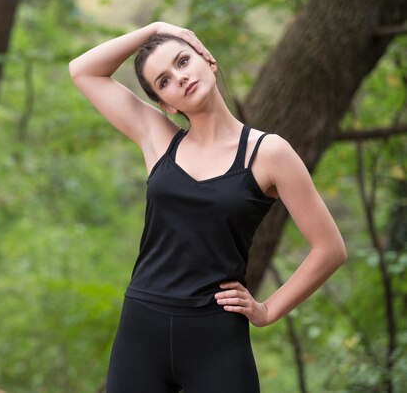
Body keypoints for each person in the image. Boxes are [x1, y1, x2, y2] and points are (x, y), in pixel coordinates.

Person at [68, 21, 347, 393]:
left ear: (207, 59)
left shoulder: (269, 153)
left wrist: (267, 310)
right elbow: (83, 71)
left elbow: (330, 249)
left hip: (216, 338)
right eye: (164, 81)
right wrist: (155, 27)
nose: (179, 78)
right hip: (141, 330)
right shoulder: (158, 139)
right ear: (165, 104)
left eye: (183, 61)